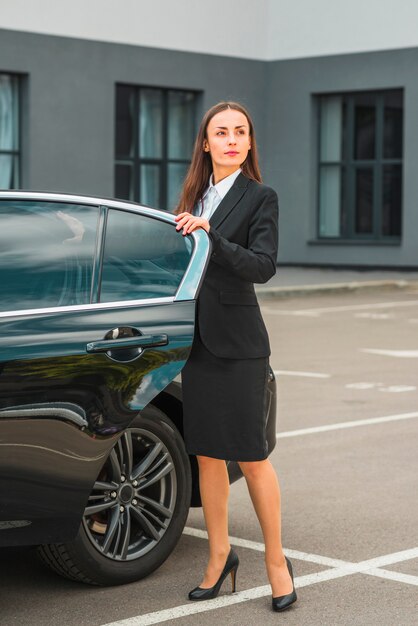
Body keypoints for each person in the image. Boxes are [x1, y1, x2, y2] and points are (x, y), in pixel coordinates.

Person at [174, 101, 297, 613]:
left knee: (251, 456)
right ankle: (219, 556)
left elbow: (263, 266)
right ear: (205, 143)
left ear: (249, 144)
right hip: (196, 345)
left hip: (241, 347)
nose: (230, 140)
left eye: (239, 132)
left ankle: (275, 563)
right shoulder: (192, 197)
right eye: (220, 132)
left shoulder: (259, 196)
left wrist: (211, 236)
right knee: (206, 454)